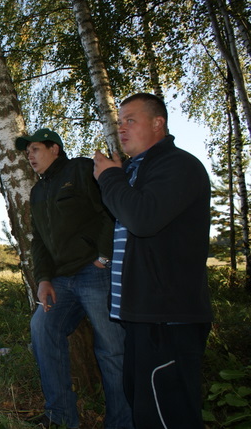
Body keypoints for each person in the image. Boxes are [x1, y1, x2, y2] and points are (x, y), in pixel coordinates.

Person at [93, 93, 213, 428]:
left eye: (130, 120)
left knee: (168, 416)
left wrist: (109, 178)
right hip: (141, 318)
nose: (121, 128)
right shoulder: (135, 171)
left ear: (158, 123)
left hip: (168, 318)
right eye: (119, 122)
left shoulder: (178, 165)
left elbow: (143, 219)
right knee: (145, 410)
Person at [16, 128, 133, 429]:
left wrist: (103, 256)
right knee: (42, 328)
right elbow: (39, 241)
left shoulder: (81, 169)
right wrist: (43, 279)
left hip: (95, 273)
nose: (30, 156)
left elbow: (110, 209)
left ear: (54, 148)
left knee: (112, 348)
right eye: (27, 152)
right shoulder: (38, 192)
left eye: (35, 149)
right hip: (61, 281)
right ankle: (61, 417)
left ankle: (121, 422)